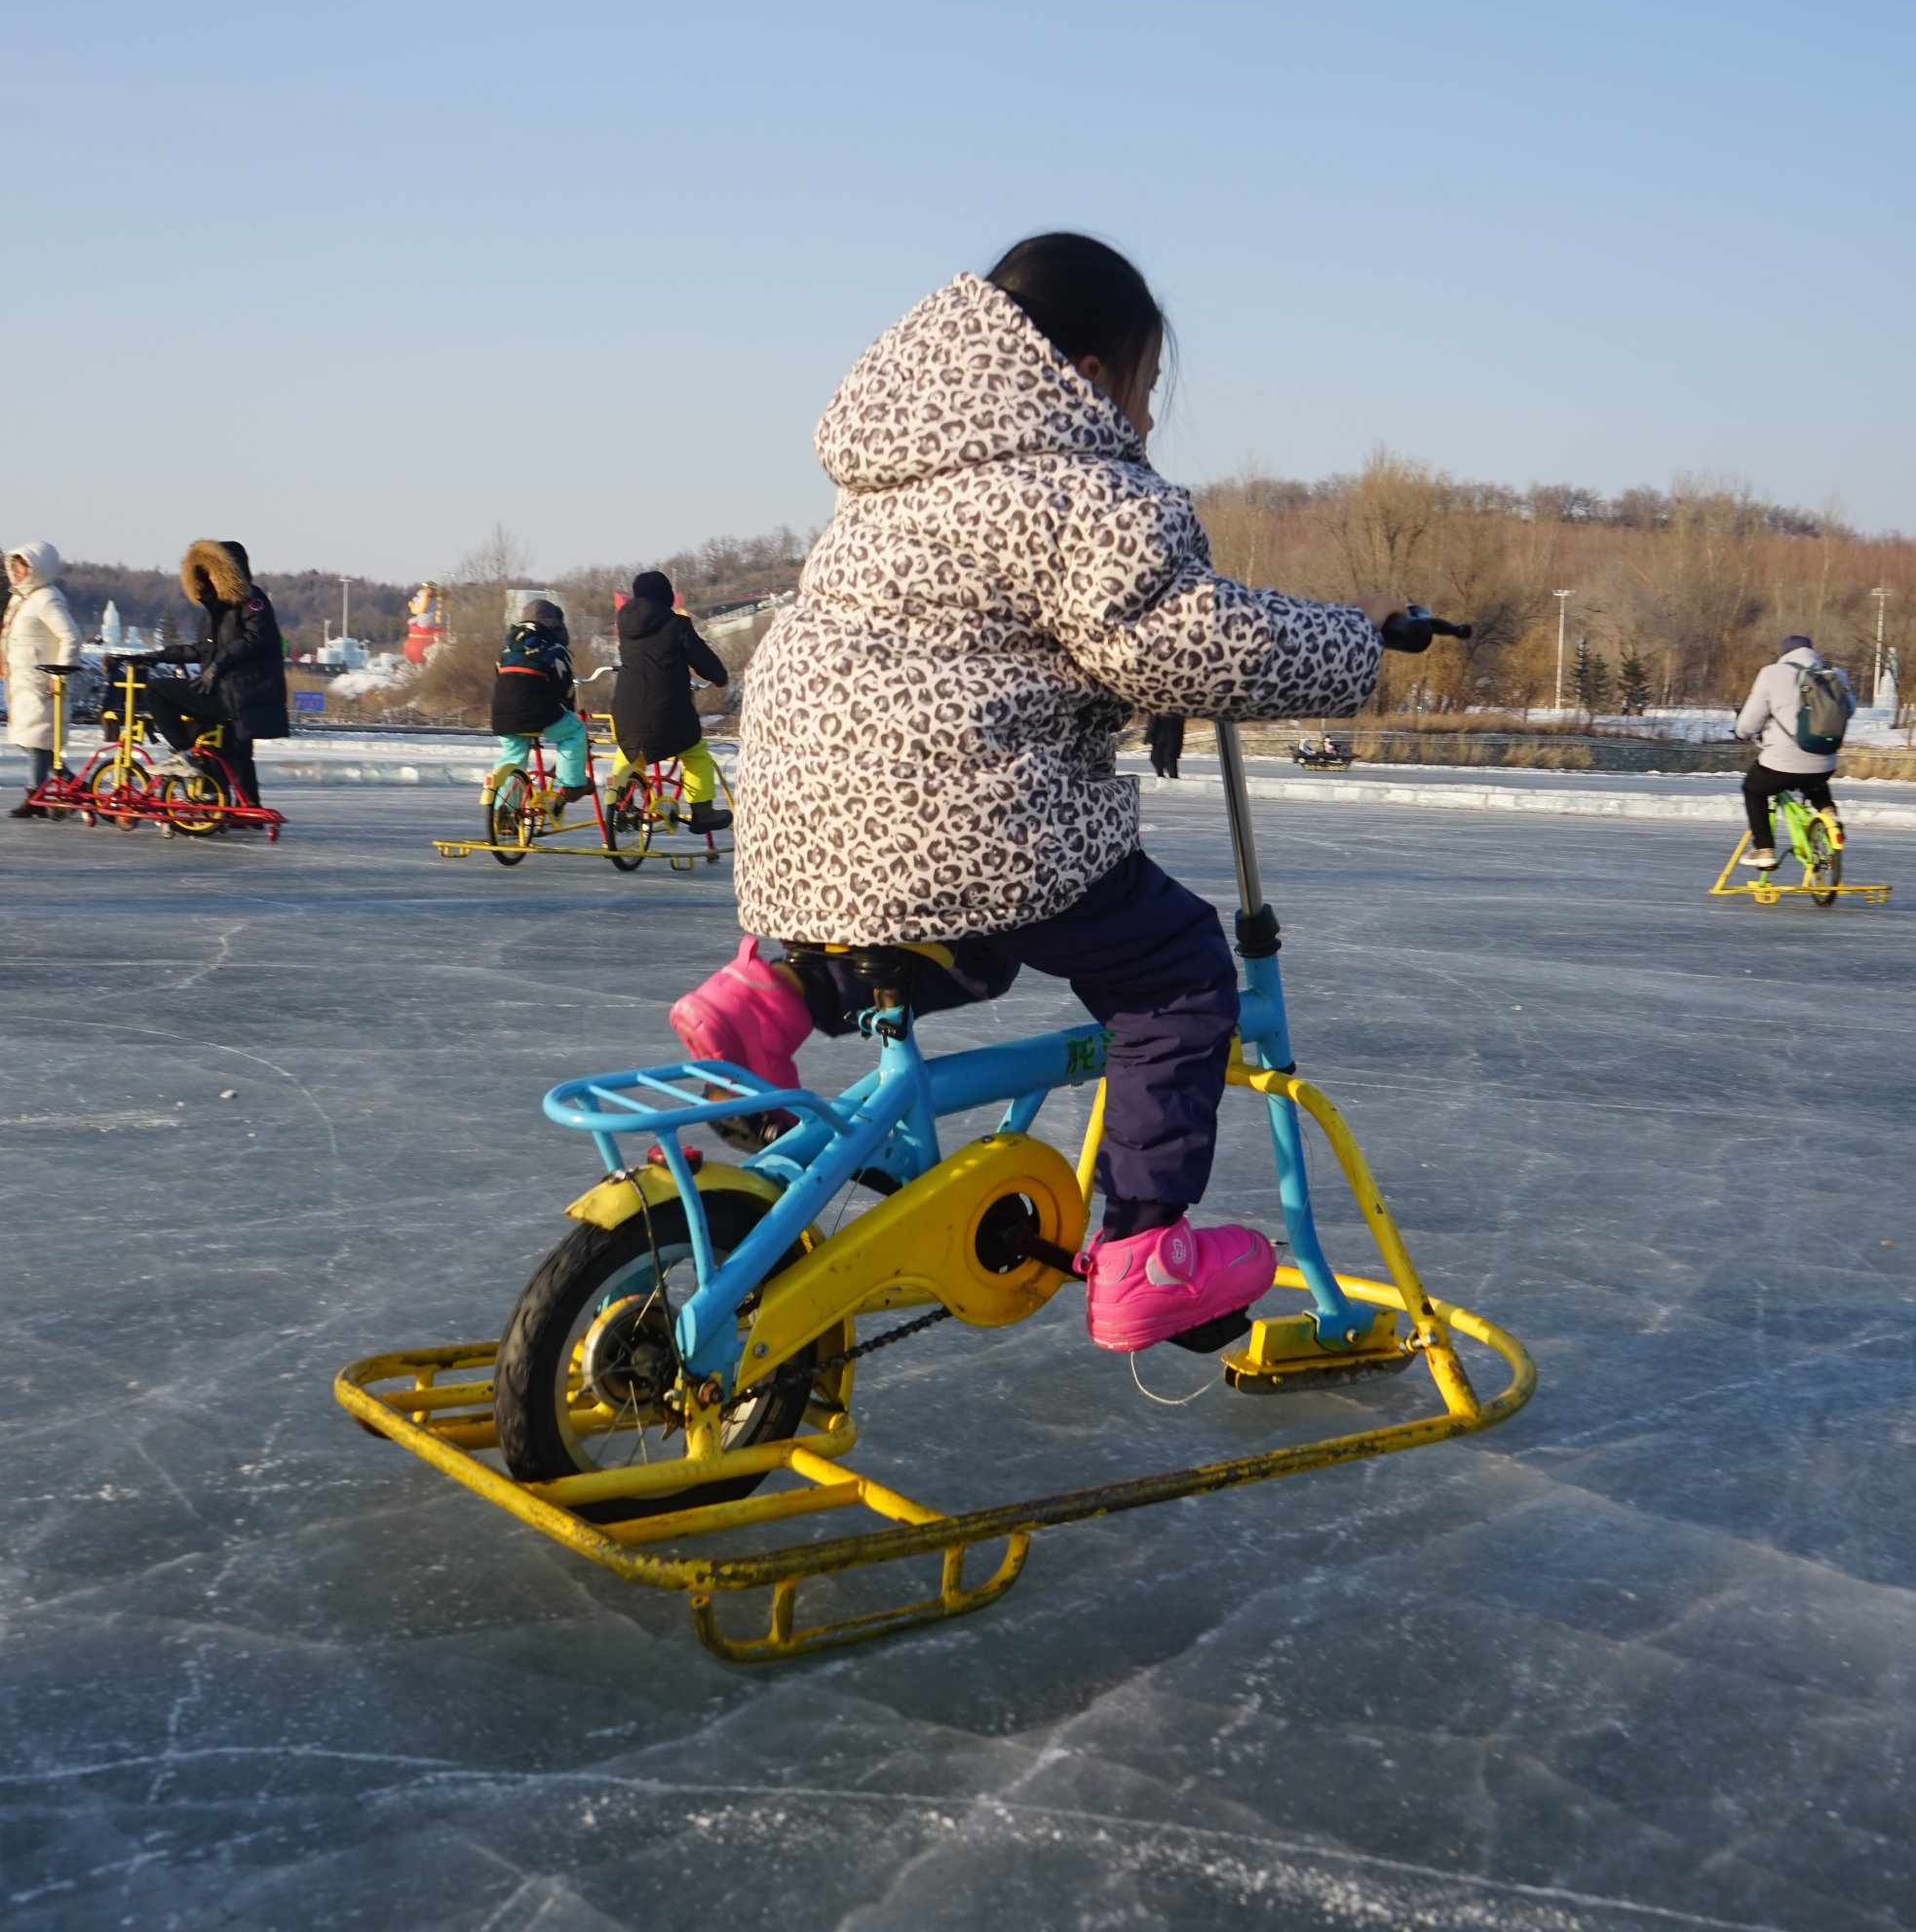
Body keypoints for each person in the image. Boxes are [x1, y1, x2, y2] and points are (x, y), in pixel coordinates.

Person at [669, 233, 1395, 1356]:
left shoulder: (898, 473)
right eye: (1146, 392)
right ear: (1092, 377)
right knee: (1178, 974)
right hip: (960, 800)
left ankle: (761, 997)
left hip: (806, 802)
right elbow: (1177, 636)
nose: (1145, 428)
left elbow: (998, 633)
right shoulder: (1077, 485)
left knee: (954, 936)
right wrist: (1354, 647)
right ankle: (1146, 1247)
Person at [147, 542, 290, 808]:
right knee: (234, 751)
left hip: (237, 695)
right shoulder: (216, 609)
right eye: (205, 572)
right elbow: (202, 649)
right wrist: (156, 656)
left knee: (157, 691)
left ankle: (182, 753)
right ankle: (244, 807)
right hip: (229, 694)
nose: (209, 577)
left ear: (228, 571)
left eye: (213, 571)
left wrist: (218, 665)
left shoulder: (253, 601)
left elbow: (257, 637)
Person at [610, 572, 732, 826]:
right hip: (667, 712)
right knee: (695, 751)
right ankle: (702, 812)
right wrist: (720, 677)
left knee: (630, 746)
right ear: (666, 597)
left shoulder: (624, 625)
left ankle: (619, 800)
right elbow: (705, 661)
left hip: (626, 707)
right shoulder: (677, 625)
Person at [1734, 630, 1855, 866]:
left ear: (1784, 653)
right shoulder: (1835, 674)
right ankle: (1829, 814)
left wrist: (1742, 733)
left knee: (1754, 789)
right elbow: (1850, 709)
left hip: (1781, 763)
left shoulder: (1772, 674)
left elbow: (1749, 722)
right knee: (1815, 783)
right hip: (1825, 760)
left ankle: (1764, 849)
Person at [487, 599, 589, 817]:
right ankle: (571, 784)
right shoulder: (554, 648)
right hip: (539, 712)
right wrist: (567, 710)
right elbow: (565, 687)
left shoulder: (507, 649)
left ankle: (504, 814)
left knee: (512, 756)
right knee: (574, 731)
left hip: (502, 713)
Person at [4, 541, 83, 817]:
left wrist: (60, 673)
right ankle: (75, 786)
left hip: (42, 683)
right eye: (13, 567)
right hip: (22, 681)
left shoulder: (47, 598)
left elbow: (71, 635)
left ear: (38, 568)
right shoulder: (21, 598)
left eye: (22, 567)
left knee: (38, 740)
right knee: (29, 739)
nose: (16, 572)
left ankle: (34, 796)